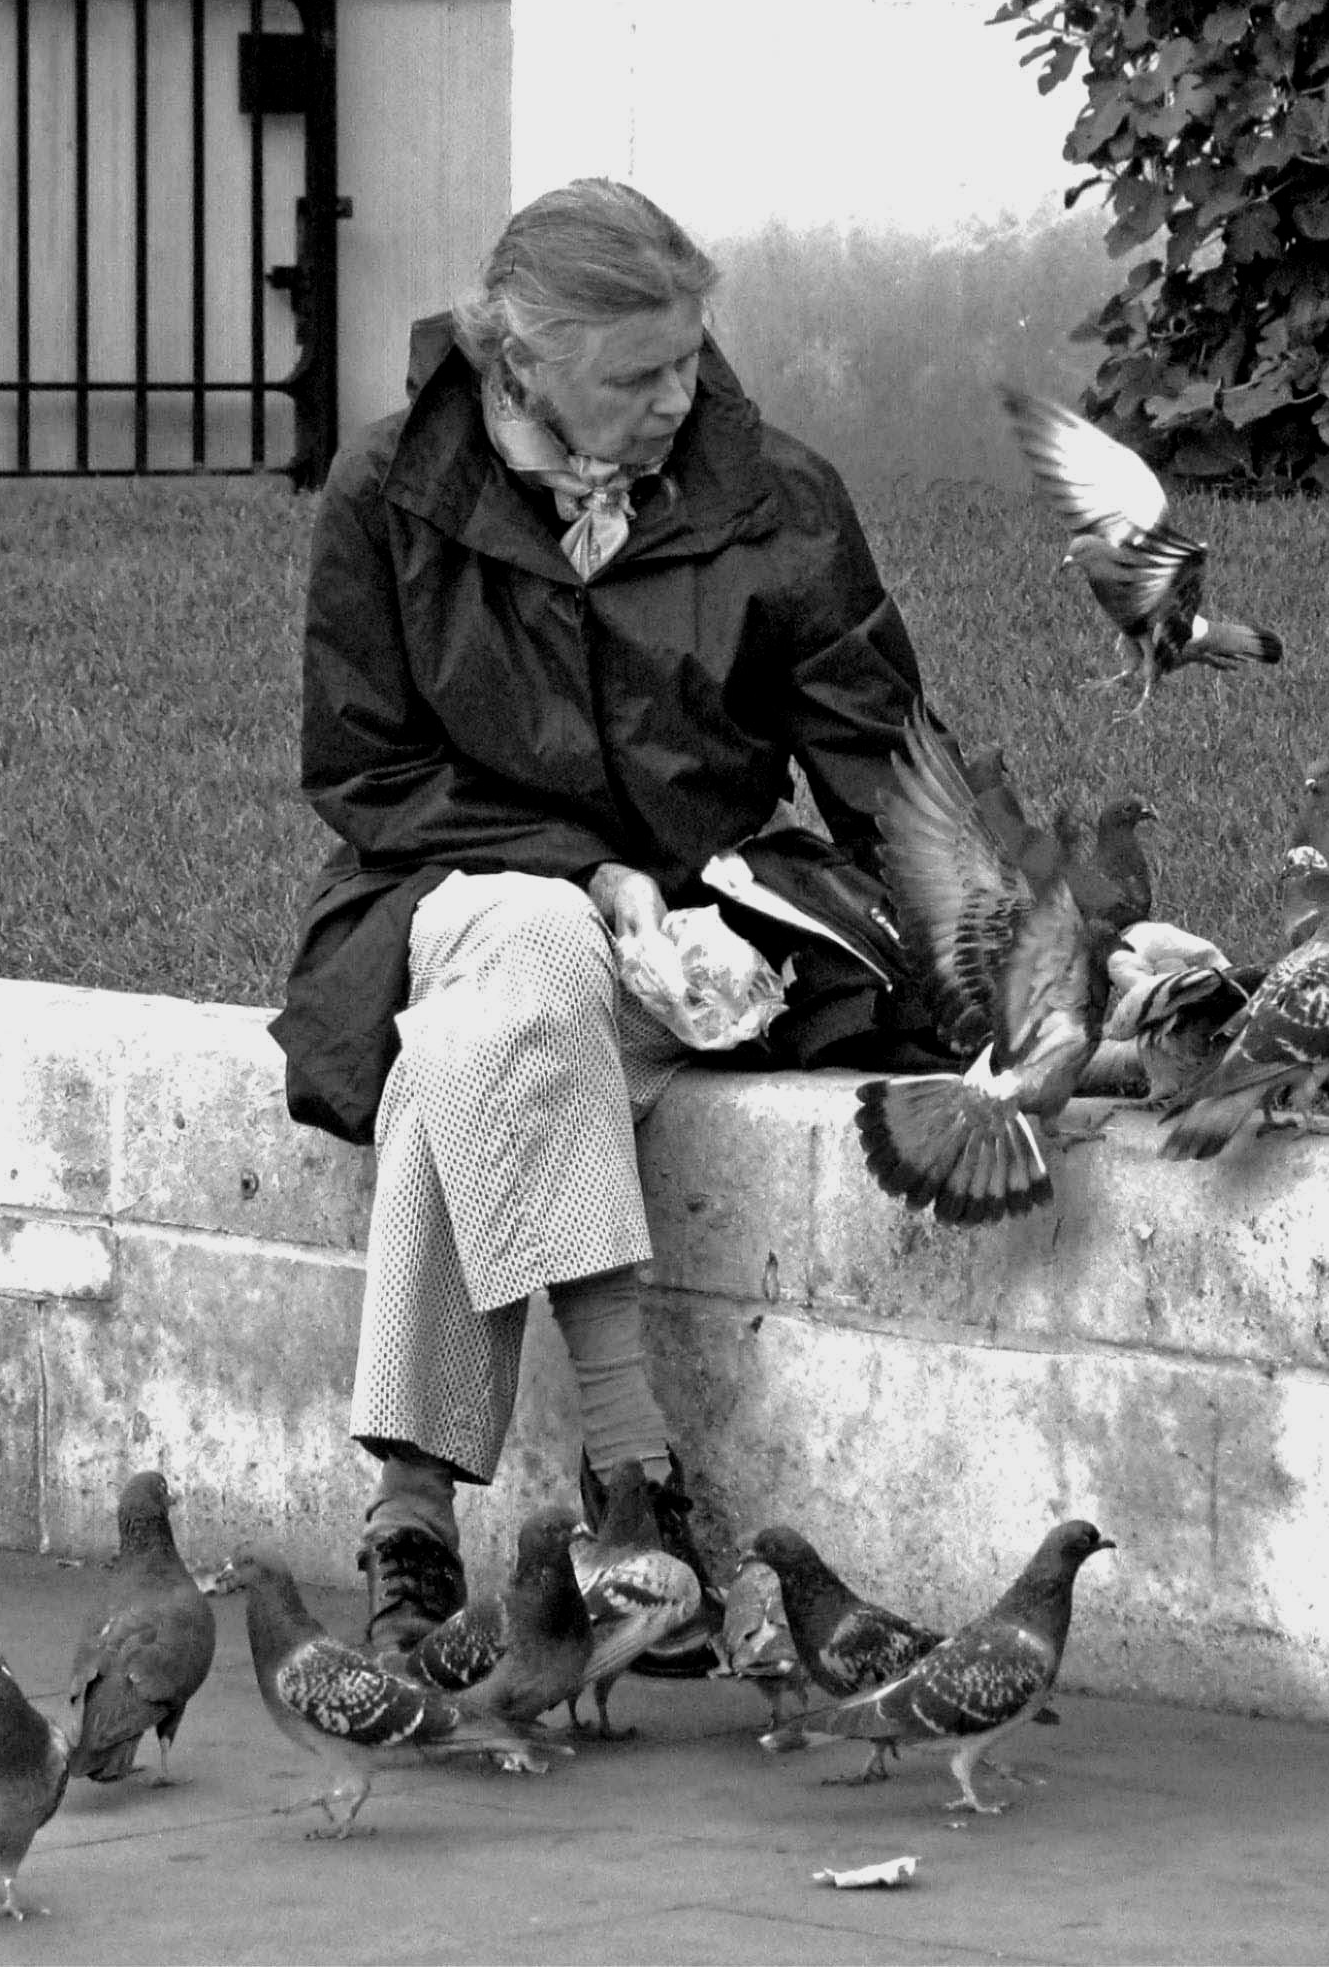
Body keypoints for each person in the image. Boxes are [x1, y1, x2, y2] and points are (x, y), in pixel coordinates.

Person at [266, 178, 933, 1664]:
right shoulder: (386, 495)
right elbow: (368, 771)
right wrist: (582, 870)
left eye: (690, 357)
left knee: (477, 1048)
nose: (677, 397)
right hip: (439, 887)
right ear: (517, 366)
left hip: (685, 943)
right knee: (525, 942)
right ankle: (628, 1476)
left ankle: (411, 1503)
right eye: (636, 374)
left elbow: (887, 775)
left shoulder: (779, 495)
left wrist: (1027, 959)